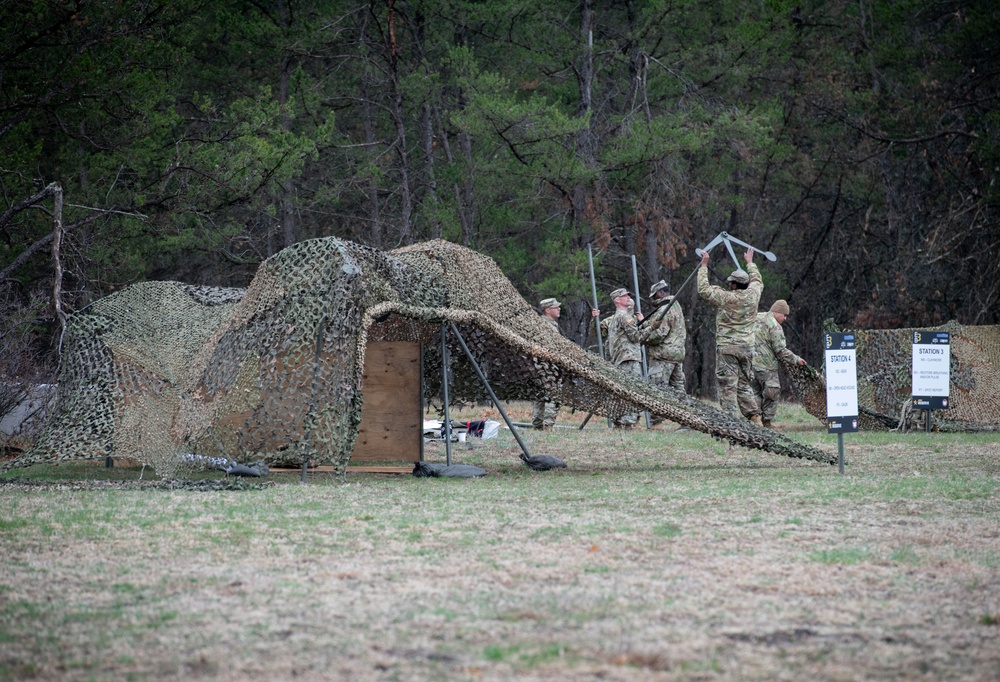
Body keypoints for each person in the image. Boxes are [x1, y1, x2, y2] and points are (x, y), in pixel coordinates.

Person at [697, 247, 764, 424]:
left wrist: (704, 265)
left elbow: (704, 290)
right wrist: (750, 263)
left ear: (733, 285)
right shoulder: (753, 295)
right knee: (744, 383)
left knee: (728, 385)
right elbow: (757, 280)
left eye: (730, 283)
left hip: (728, 348)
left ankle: (730, 421)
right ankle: (755, 416)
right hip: (747, 348)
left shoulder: (726, 297)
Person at [592, 287, 644, 427]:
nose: (628, 298)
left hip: (621, 359)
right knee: (632, 390)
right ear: (617, 300)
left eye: (628, 296)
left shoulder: (616, 317)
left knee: (623, 390)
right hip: (628, 358)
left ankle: (621, 419)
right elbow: (636, 337)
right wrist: (650, 326)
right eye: (624, 296)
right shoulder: (624, 316)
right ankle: (628, 421)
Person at [751, 299, 806, 428]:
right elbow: (780, 350)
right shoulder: (775, 326)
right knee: (772, 393)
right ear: (777, 312)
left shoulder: (756, 317)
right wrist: (796, 359)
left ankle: (754, 420)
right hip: (766, 366)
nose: (785, 318)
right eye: (784, 315)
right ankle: (766, 422)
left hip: (750, 364)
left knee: (755, 392)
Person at [639, 279, 687, 394]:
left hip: (662, 358)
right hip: (677, 356)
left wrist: (642, 338)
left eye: (654, 295)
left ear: (661, 292)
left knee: (658, 395)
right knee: (679, 396)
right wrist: (645, 323)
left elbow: (659, 334)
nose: (653, 299)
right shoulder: (676, 307)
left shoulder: (664, 309)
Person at [531, 298, 563, 429]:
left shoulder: (544, 324)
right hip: (548, 365)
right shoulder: (546, 326)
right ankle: (548, 425)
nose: (559, 309)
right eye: (556, 307)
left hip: (541, 365)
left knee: (541, 396)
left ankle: (538, 425)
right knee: (553, 395)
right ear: (548, 310)